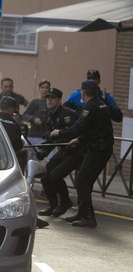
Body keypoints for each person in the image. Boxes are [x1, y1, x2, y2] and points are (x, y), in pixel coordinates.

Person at [49, 80, 113, 228]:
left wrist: (60, 132)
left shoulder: (90, 107)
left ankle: (89, 217)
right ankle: (82, 213)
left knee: (82, 180)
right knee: (84, 180)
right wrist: (78, 139)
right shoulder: (101, 104)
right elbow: (96, 129)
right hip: (99, 146)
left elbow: (79, 126)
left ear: (83, 93)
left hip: (99, 149)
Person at [0, 96, 49, 229]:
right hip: (6, 165)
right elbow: (17, 146)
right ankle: (30, 217)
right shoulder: (14, 125)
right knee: (22, 188)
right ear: (12, 109)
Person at [37, 87, 81, 217]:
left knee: (55, 175)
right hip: (64, 151)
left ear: (59, 100)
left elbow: (76, 132)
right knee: (45, 174)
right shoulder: (50, 116)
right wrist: (44, 151)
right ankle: (53, 205)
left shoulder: (67, 115)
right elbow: (53, 139)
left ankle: (66, 202)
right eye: (48, 98)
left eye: (52, 98)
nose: (49, 100)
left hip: (76, 151)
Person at [22, 80, 50, 152]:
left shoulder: (50, 102)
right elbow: (24, 115)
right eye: (42, 87)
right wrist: (33, 119)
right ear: (39, 89)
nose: (44, 90)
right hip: (34, 135)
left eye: (47, 88)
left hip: (47, 136)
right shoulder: (34, 101)